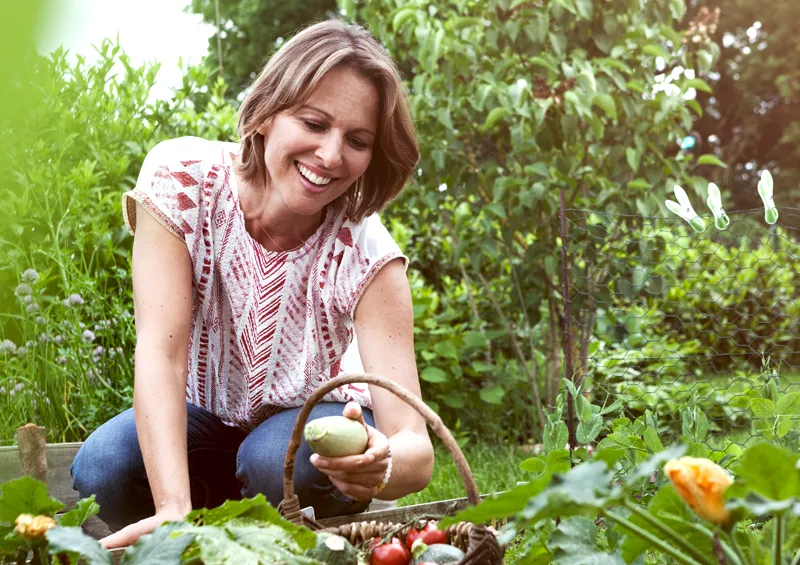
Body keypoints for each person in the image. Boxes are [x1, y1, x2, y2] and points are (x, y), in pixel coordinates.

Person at [70, 19, 434, 549]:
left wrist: (379, 464)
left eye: (357, 140)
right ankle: (189, 538)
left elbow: (415, 447)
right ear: (266, 114)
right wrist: (172, 507)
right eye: (313, 123)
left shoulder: (368, 254)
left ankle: (280, 547)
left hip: (302, 435)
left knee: (273, 460)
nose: (331, 156)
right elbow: (160, 354)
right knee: (105, 465)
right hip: (205, 420)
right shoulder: (183, 182)